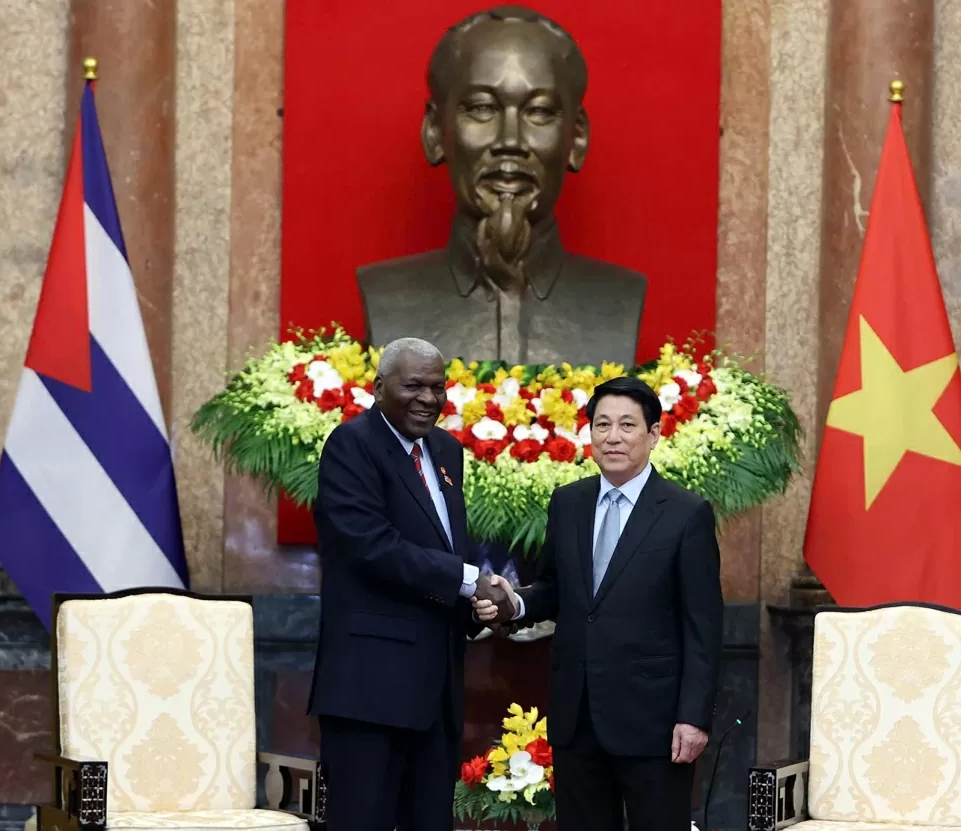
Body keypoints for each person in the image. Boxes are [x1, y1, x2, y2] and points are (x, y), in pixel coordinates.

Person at [476, 375, 724, 831]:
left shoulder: (685, 513)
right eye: (602, 424)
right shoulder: (568, 503)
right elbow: (555, 588)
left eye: (627, 425)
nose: (613, 436)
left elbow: (703, 626)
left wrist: (693, 717)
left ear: (653, 434)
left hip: (655, 722)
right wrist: (516, 605)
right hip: (577, 717)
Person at [356, 4, 646, 368]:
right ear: (435, 132)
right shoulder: (386, 295)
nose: (511, 140)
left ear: (576, 138)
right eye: (481, 108)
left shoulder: (621, 297)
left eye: (538, 112)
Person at [308, 336, 514, 831]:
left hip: (436, 689)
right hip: (370, 689)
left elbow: (444, 551)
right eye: (413, 386)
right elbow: (370, 545)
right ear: (379, 388)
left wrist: (476, 606)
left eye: (438, 387)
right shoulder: (352, 445)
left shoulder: (446, 450)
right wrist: (469, 582)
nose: (428, 398)